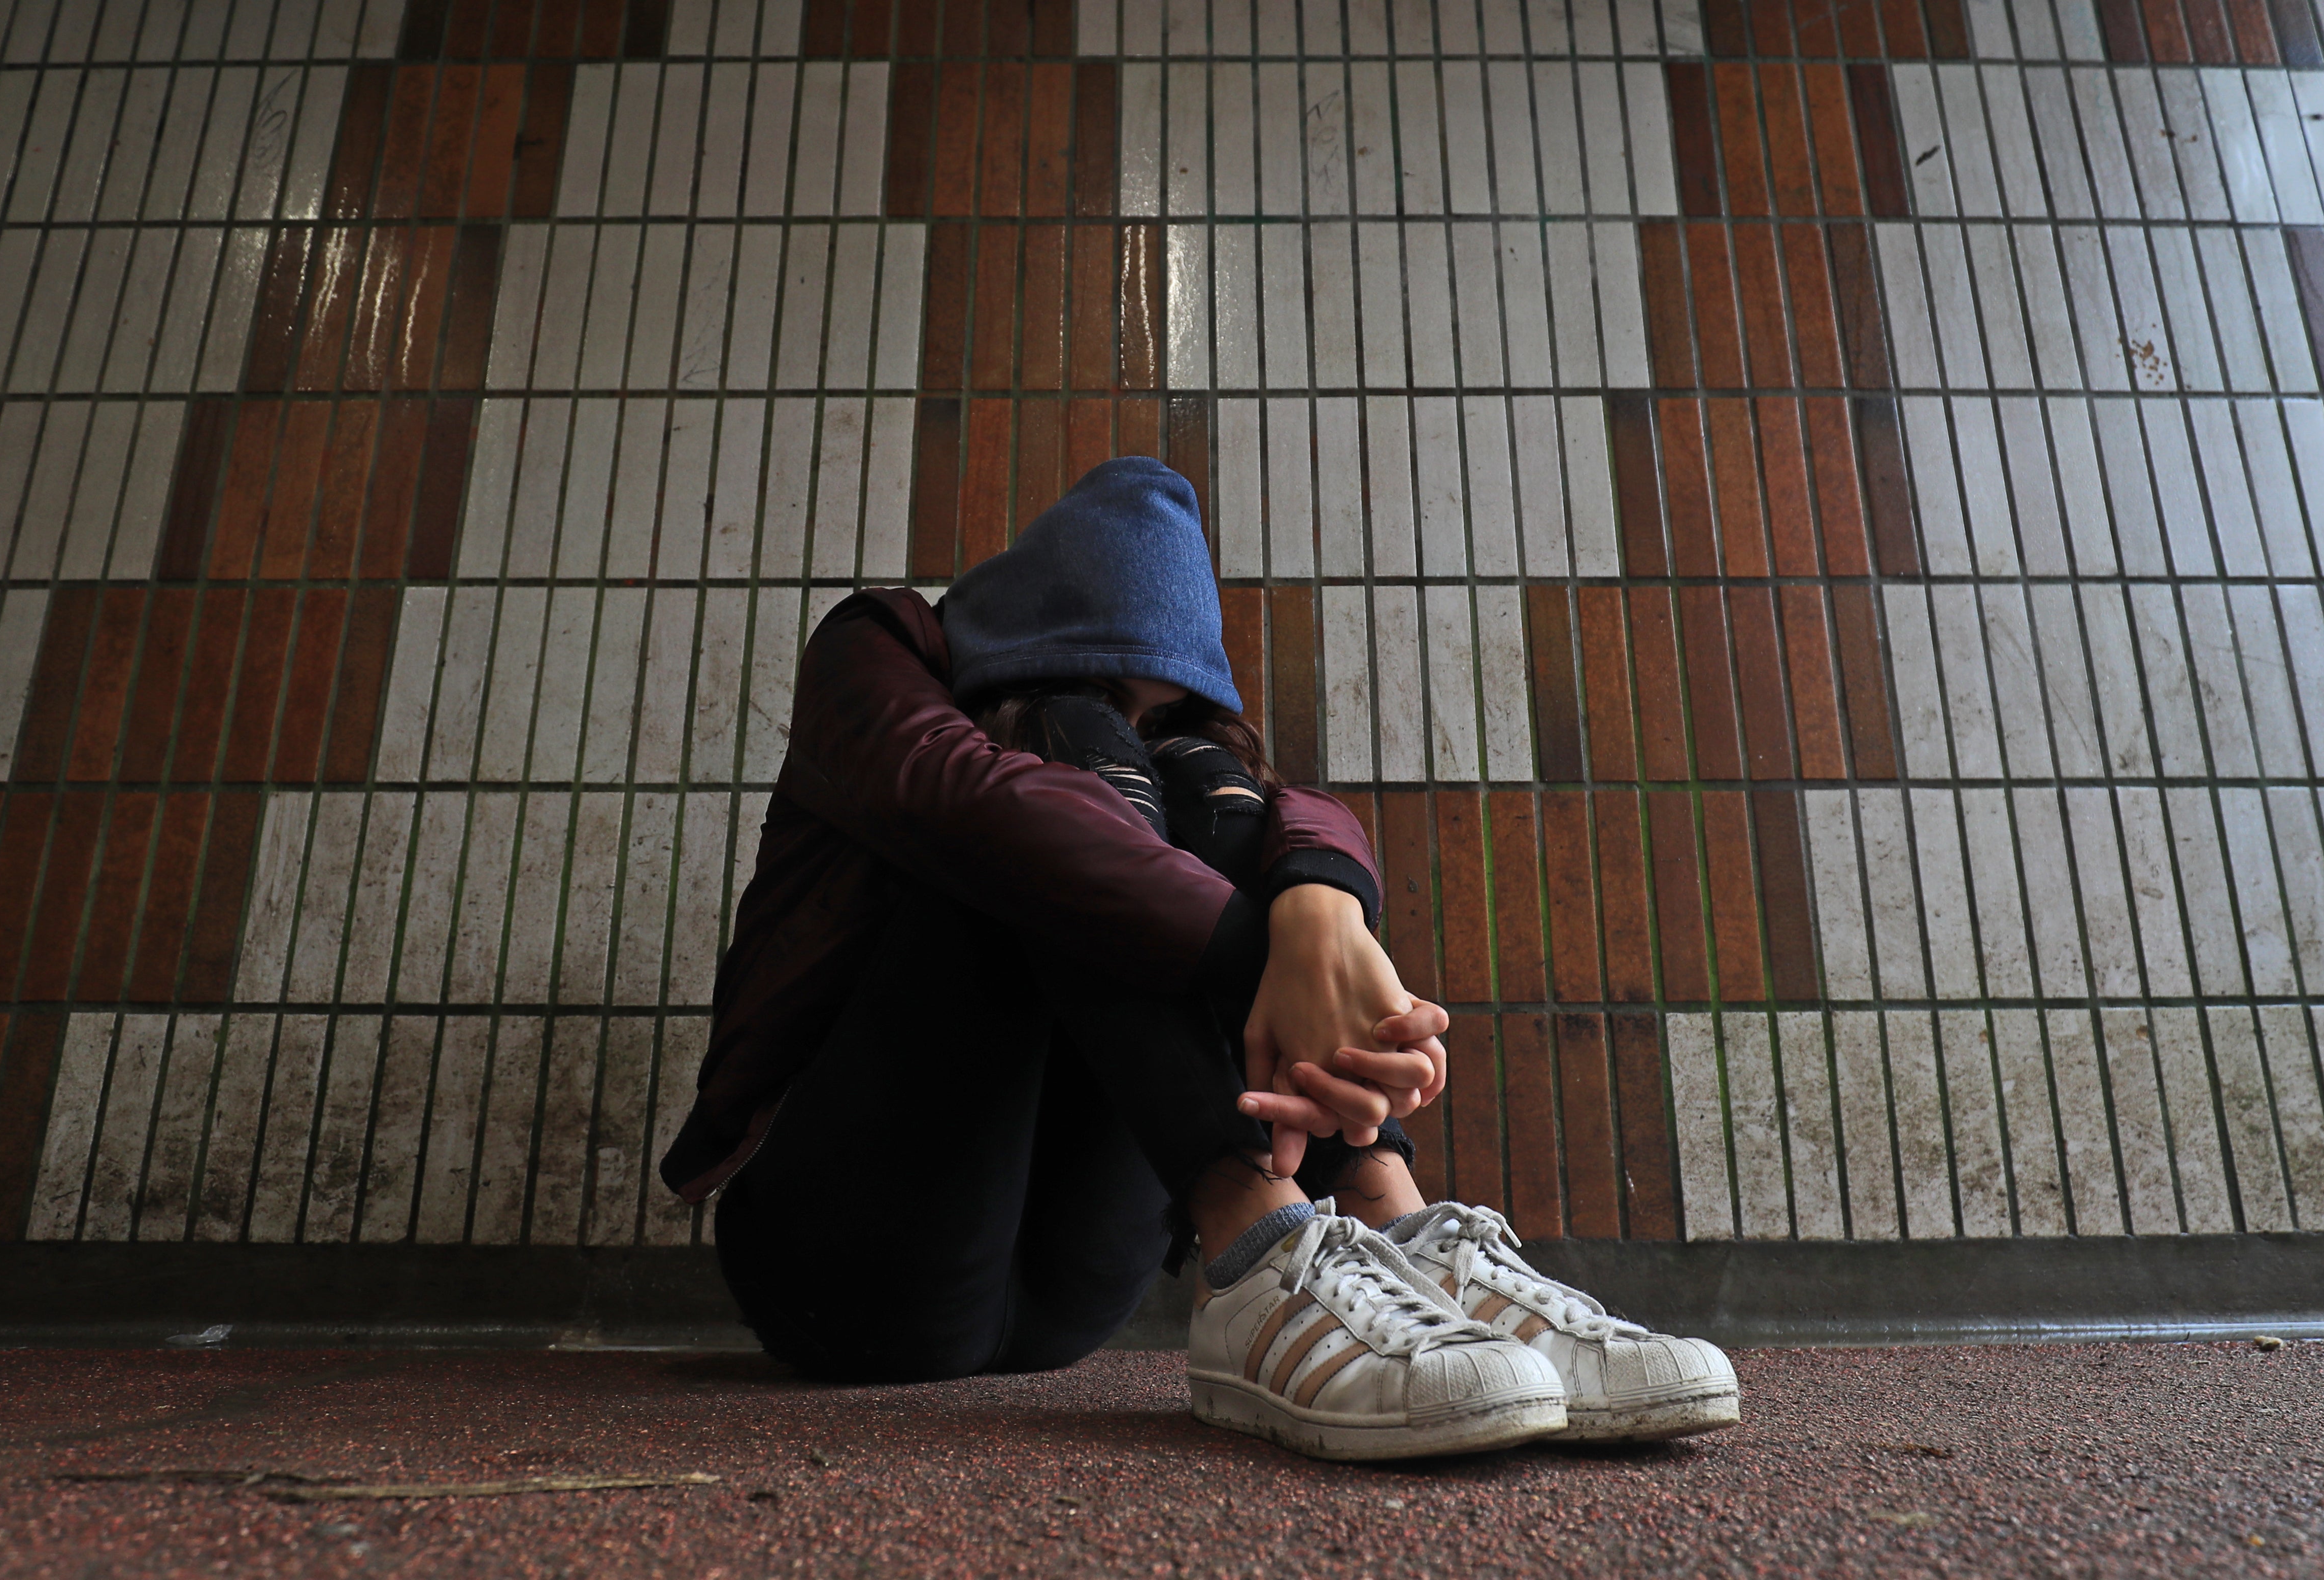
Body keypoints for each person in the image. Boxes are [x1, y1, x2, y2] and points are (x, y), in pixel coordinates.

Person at [661, 457, 1739, 1461]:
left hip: (1068, 1293)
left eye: (1165, 698)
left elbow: (1286, 811)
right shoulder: (881, 647)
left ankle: (1389, 1224)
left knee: (1210, 786)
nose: (1139, 728)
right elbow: (965, 799)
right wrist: (1259, 957)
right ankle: (1258, 1234)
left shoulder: (1193, 758)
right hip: (847, 1270)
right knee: (1067, 782)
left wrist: (1322, 909)